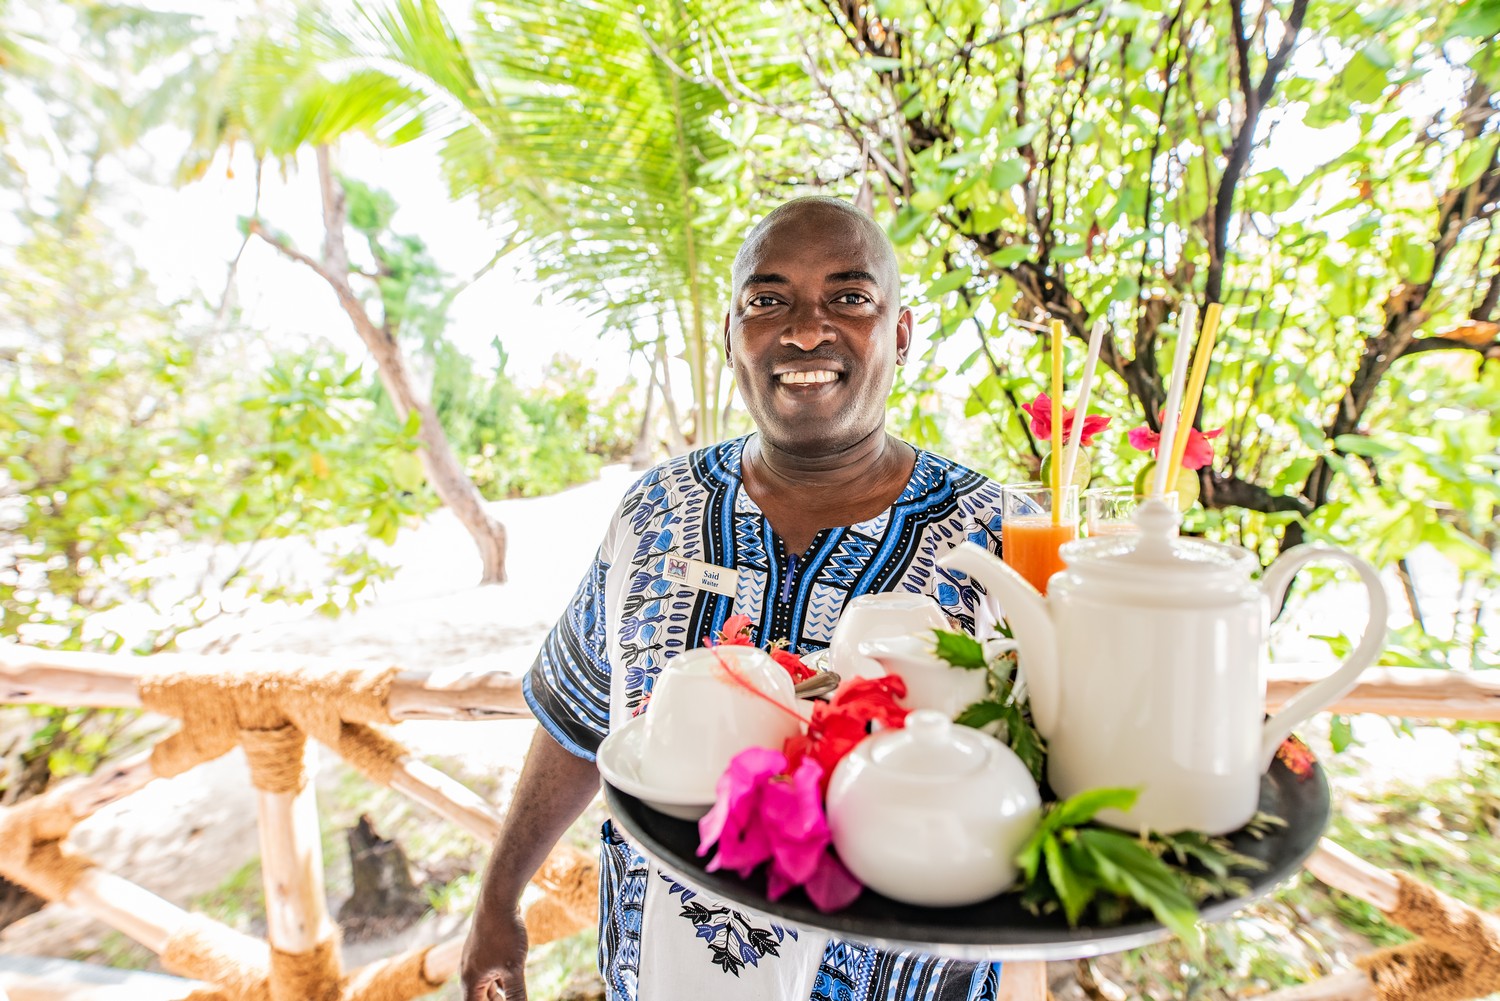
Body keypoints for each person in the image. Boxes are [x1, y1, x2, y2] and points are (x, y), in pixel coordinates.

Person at [461, 196, 1008, 1001]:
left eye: (849, 297)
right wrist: (497, 895)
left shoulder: (995, 541)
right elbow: (582, 718)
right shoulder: (652, 513)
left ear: (900, 332)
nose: (807, 329)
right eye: (768, 301)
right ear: (731, 334)